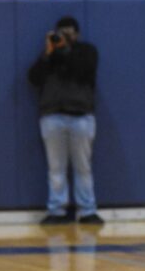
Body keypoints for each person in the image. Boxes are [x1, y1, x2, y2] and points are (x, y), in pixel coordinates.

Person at [27, 16, 103, 226]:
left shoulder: (87, 52)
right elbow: (33, 78)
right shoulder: (48, 56)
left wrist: (67, 50)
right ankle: (57, 210)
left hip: (81, 117)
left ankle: (87, 210)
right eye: (61, 33)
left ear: (76, 34)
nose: (65, 37)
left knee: (83, 167)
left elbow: (83, 72)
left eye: (69, 33)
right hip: (53, 116)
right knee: (56, 167)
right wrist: (48, 54)